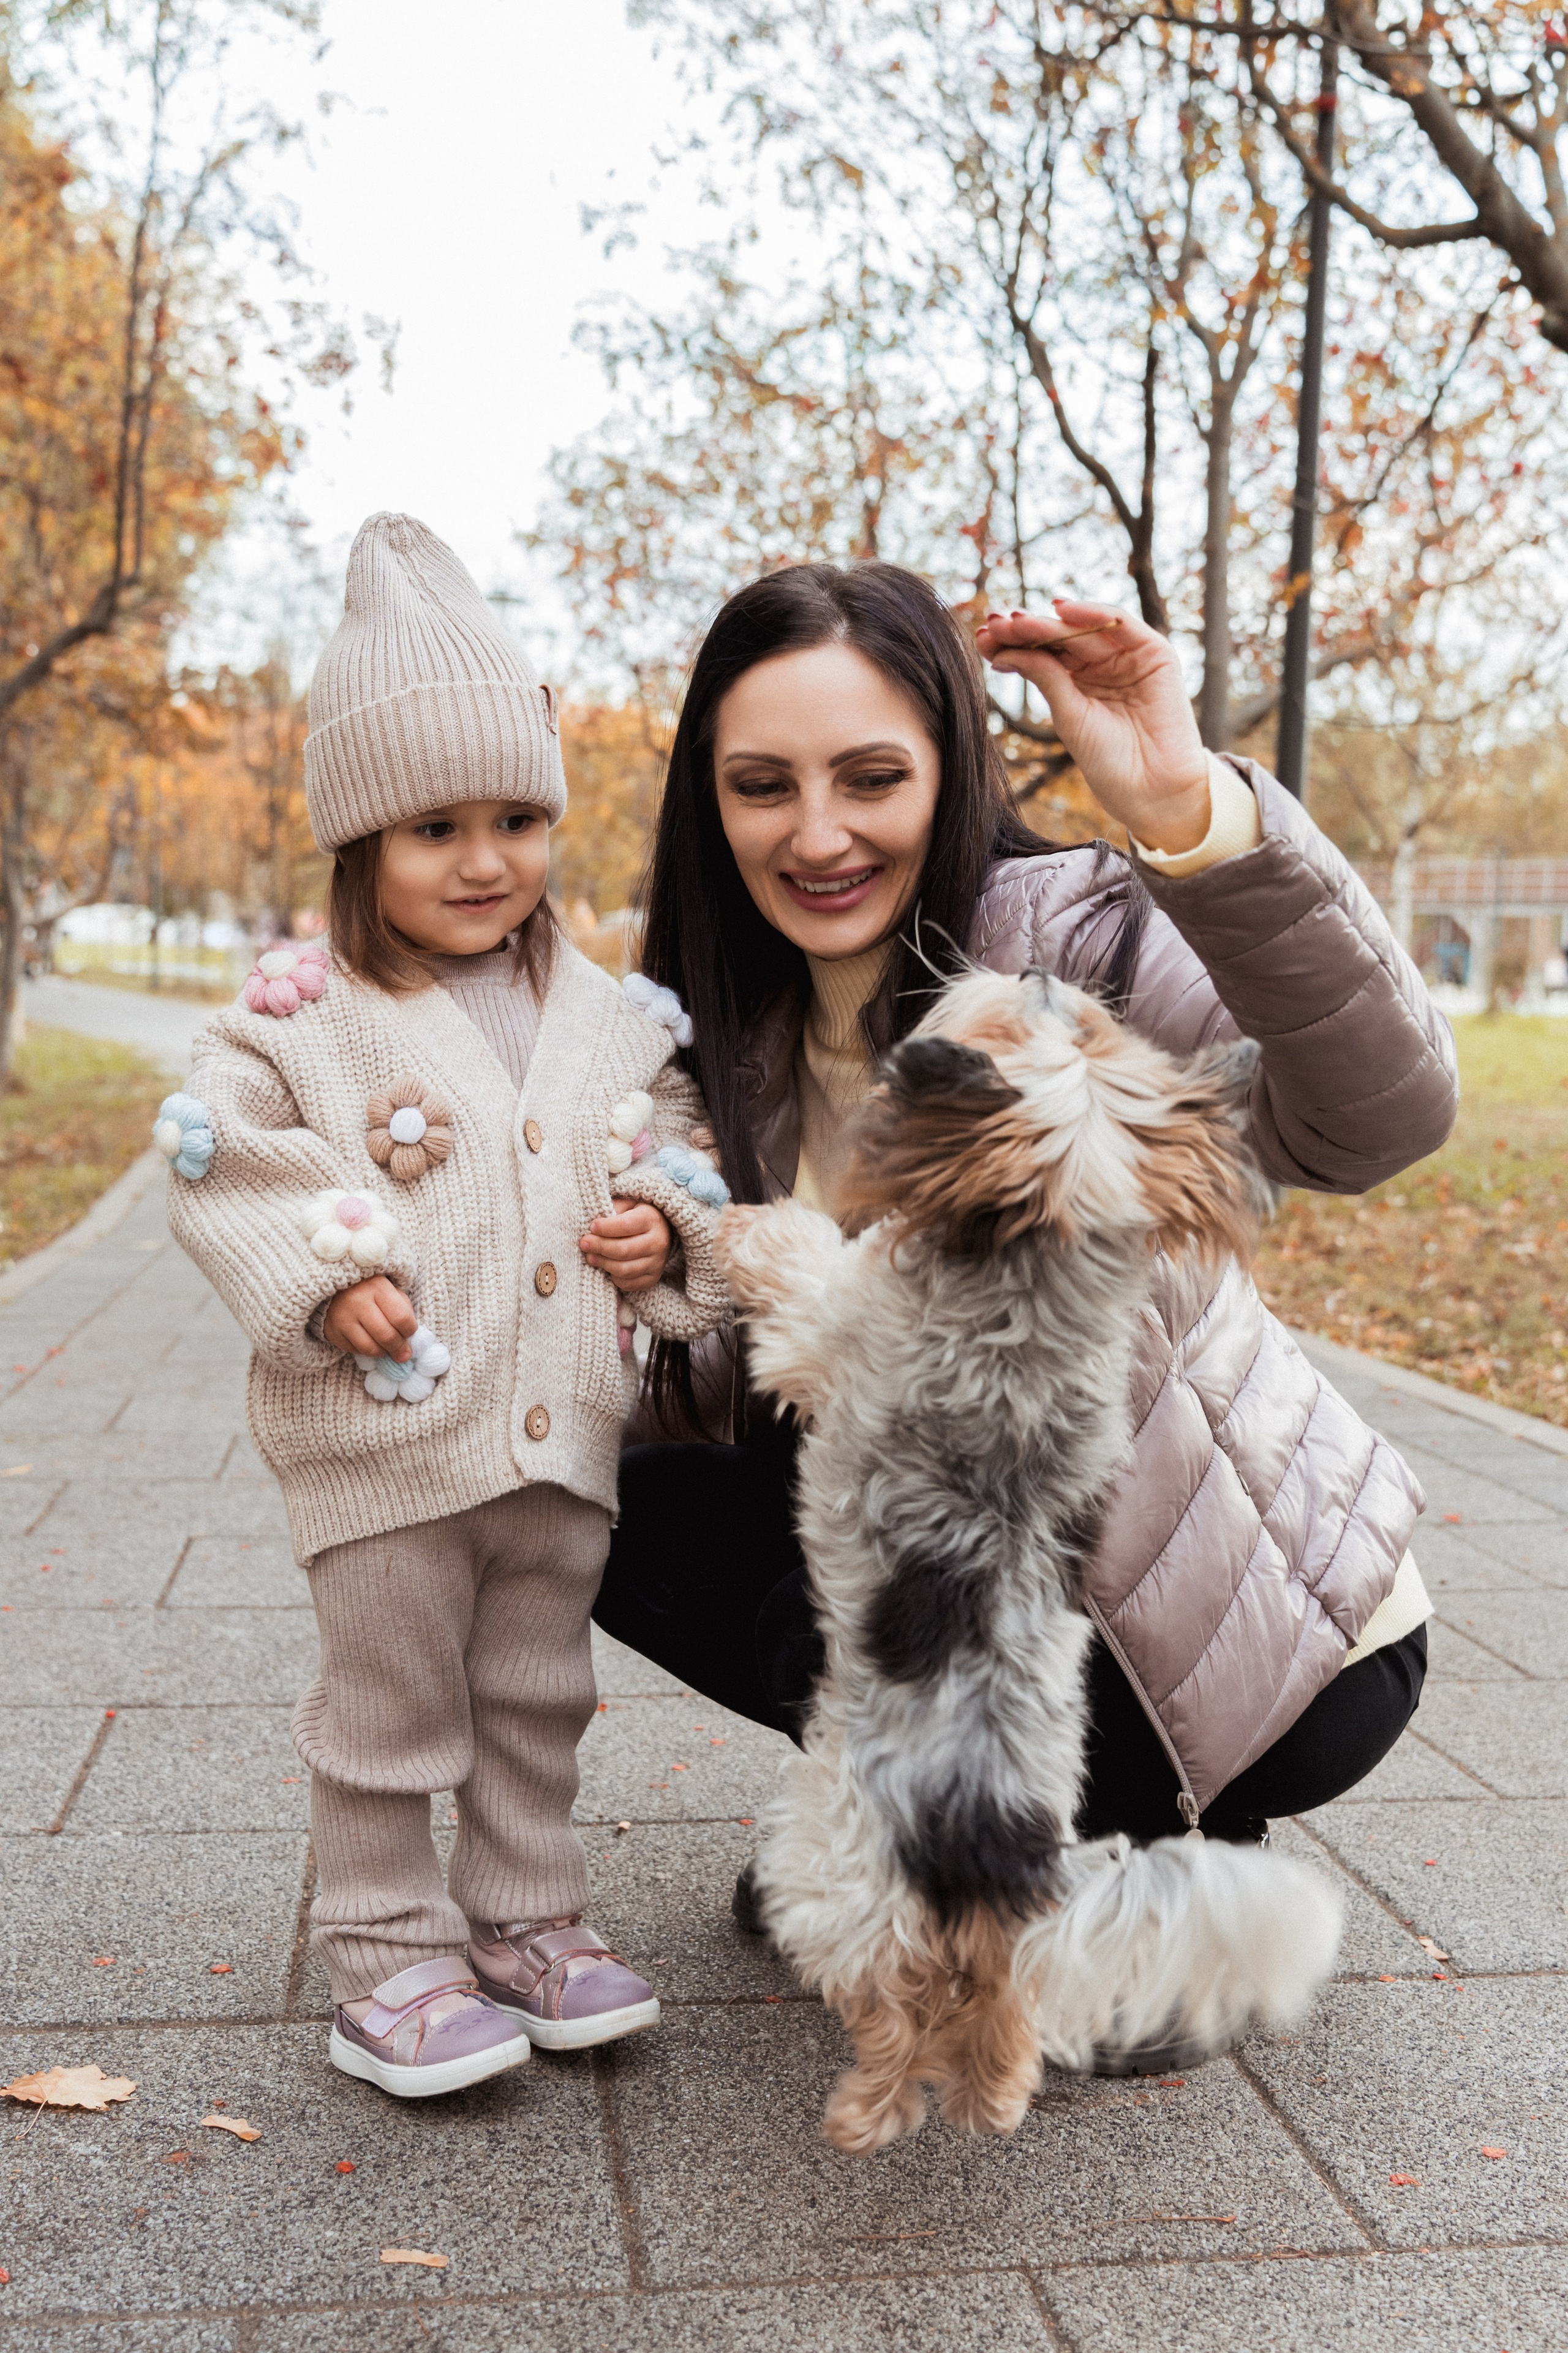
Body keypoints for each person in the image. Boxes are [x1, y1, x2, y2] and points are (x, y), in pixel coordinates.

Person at [593, 563, 1455, 2046]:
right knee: (591, 1486)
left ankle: (1093, 1895)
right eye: (760, 785)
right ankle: (960, 1845)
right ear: (707, 800)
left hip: (1255, 1634)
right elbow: (727, 1385)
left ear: (949, 765)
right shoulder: (702, 1028)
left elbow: (1372, 1121)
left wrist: (1189, 806)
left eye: (871, 775)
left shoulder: (1078, 942)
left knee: (917, 1481)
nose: (816, 834)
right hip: (991, 1600)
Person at [165, 514, 731, 2099]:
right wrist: (328, 1268)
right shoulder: (304, 1017)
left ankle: (524, 1914)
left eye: (513, 818)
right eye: (434, 828)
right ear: (363, 844)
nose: (484, 860)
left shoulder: (613, 1018)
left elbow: (679, 1147)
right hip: (387, 1445)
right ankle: (385, 1946)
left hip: (564, 1443)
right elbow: (222, 1156)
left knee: (537, 1692)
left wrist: (664, 1238)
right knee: (394, 1702)